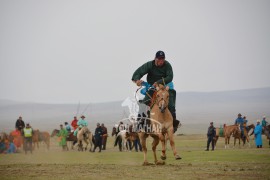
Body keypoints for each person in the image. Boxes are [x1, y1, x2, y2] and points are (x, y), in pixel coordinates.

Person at [131, 50, 180, 133]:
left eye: (162, 59)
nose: (161, 61)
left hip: (165, 87)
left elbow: (170, 77)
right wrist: (137, 80)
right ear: (155, 59)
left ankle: (174, 122)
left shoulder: (167, 65)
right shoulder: (149, 65)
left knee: (171, 102)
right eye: (159, 59)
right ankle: (140, 122)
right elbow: (138, 72)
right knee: (144, 102)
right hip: (153, 88)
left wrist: (158, 82)